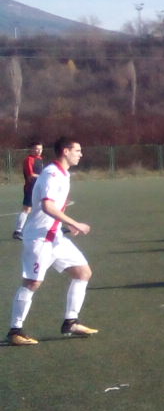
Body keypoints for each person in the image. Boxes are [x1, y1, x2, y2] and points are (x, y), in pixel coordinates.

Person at [7, 137, 97, 345]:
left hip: (55, 237)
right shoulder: (52, 173)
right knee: (32, 282)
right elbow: (47, 206)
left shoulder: (63, 174)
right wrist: (74, 223)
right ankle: (15, 331)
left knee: (83, 272)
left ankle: (71, 322)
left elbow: (53, 208)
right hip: (39, 238)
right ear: (65, 151)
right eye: (77, 150)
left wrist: (64, 226)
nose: (80, 154)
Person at [13, 140, 43, 239]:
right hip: (31, 188)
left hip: (40, 188)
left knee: (46, 207)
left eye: (40, 149)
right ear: (31, 149)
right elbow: (31, 175)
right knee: (27, 209)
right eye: (36, 149)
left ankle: (52, 228)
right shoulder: (29, 160)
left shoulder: (40, 159)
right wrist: (44, 176)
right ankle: (18, 231)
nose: (39, 151)